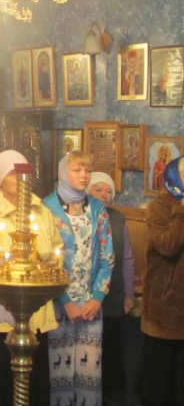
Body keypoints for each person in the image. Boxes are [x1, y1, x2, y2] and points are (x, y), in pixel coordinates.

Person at [0, 150, 62, 406]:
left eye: (24, 174)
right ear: (0, 178)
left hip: (35, 309)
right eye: (12, 174)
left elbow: (55, 250)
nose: (20, 180)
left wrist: (46, 262)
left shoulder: (41, 210)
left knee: (33, 383)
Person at [43, 152, 114, 406]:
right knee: (59, 373)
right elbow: (45, 261)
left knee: (89, 374)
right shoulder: (47, 208)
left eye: (87, 170)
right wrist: (65, 301)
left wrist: (97, 298)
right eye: (77, 170)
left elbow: (107, 257)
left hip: (90, 307)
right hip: (58, 306)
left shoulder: (97, 209)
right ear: (64, 173)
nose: (84, 175)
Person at [86, 172, 138, 405]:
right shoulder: (81, 216)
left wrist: (129, 294)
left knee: (111, 346)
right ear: (88, 191)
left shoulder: (118, 218)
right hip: (87, 294)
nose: (104, 195)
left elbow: (127, 258)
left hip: (113, 291)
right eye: (98, 190)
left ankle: (111, 394)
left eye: (108, 191)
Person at [139, 157, 184, 406]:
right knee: (160, 385)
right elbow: (167, 246)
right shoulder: (159, 207)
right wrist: (182, 213)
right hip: (165, 310)